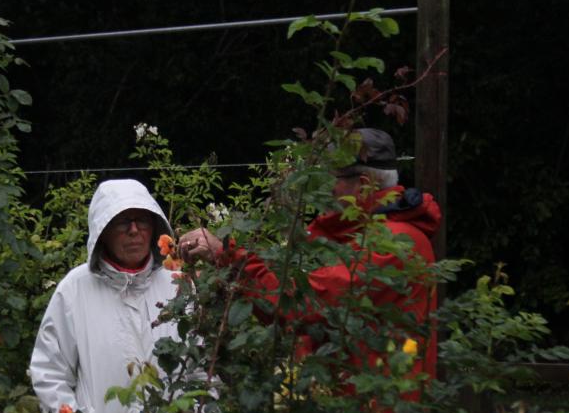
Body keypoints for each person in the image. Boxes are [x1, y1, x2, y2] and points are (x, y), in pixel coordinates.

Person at [177, 128, 441, 392]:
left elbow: (298, 305)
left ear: (362, 184)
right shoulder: (357, 238)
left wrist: (226, 254)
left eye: (331, 179)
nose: (322, 190)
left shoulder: (392, 244)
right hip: (351, 412)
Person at [29, 179, 180, 413]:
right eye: (122, 221)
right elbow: (50, 371)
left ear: (155, 226)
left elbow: (200, 372)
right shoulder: (75, 289)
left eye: (141, 220)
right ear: (103, 230)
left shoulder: (178, 288)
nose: (134, 230)